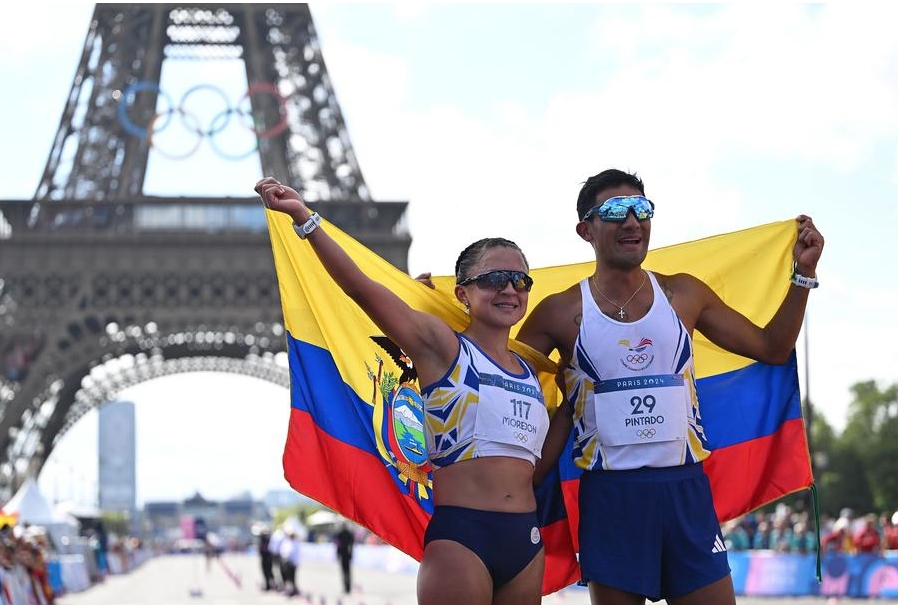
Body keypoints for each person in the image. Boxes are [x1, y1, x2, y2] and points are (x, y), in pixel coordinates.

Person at [516, 168, 824, 605]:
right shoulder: (559, 312)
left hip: (685, 491)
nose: (632, 221)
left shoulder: (684, 295)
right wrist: (435, 315)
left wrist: (802, 275)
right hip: (610, 497)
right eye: (615, 211)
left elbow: (772, 347)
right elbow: (501, 375)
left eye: (641, 209)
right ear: (586, 229)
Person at [255, 177, 551, 605]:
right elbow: (361, 289)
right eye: (495, 279)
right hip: (463, 539)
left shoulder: (532, 370)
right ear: (462, 293)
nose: (509, 289)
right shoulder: (441, 346)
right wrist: (306, 219)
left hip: (526, 538)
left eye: (521, 281)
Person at [334, 522, 355, 594]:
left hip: (343, 555)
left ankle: (346, 588)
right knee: (348, 572)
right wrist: (351, 554)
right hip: (347, 555)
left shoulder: (340, 534)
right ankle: (348, 588)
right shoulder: (349, 534)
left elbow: (338, 545)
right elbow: (351, 545)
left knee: (344, 572)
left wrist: (337, 554)